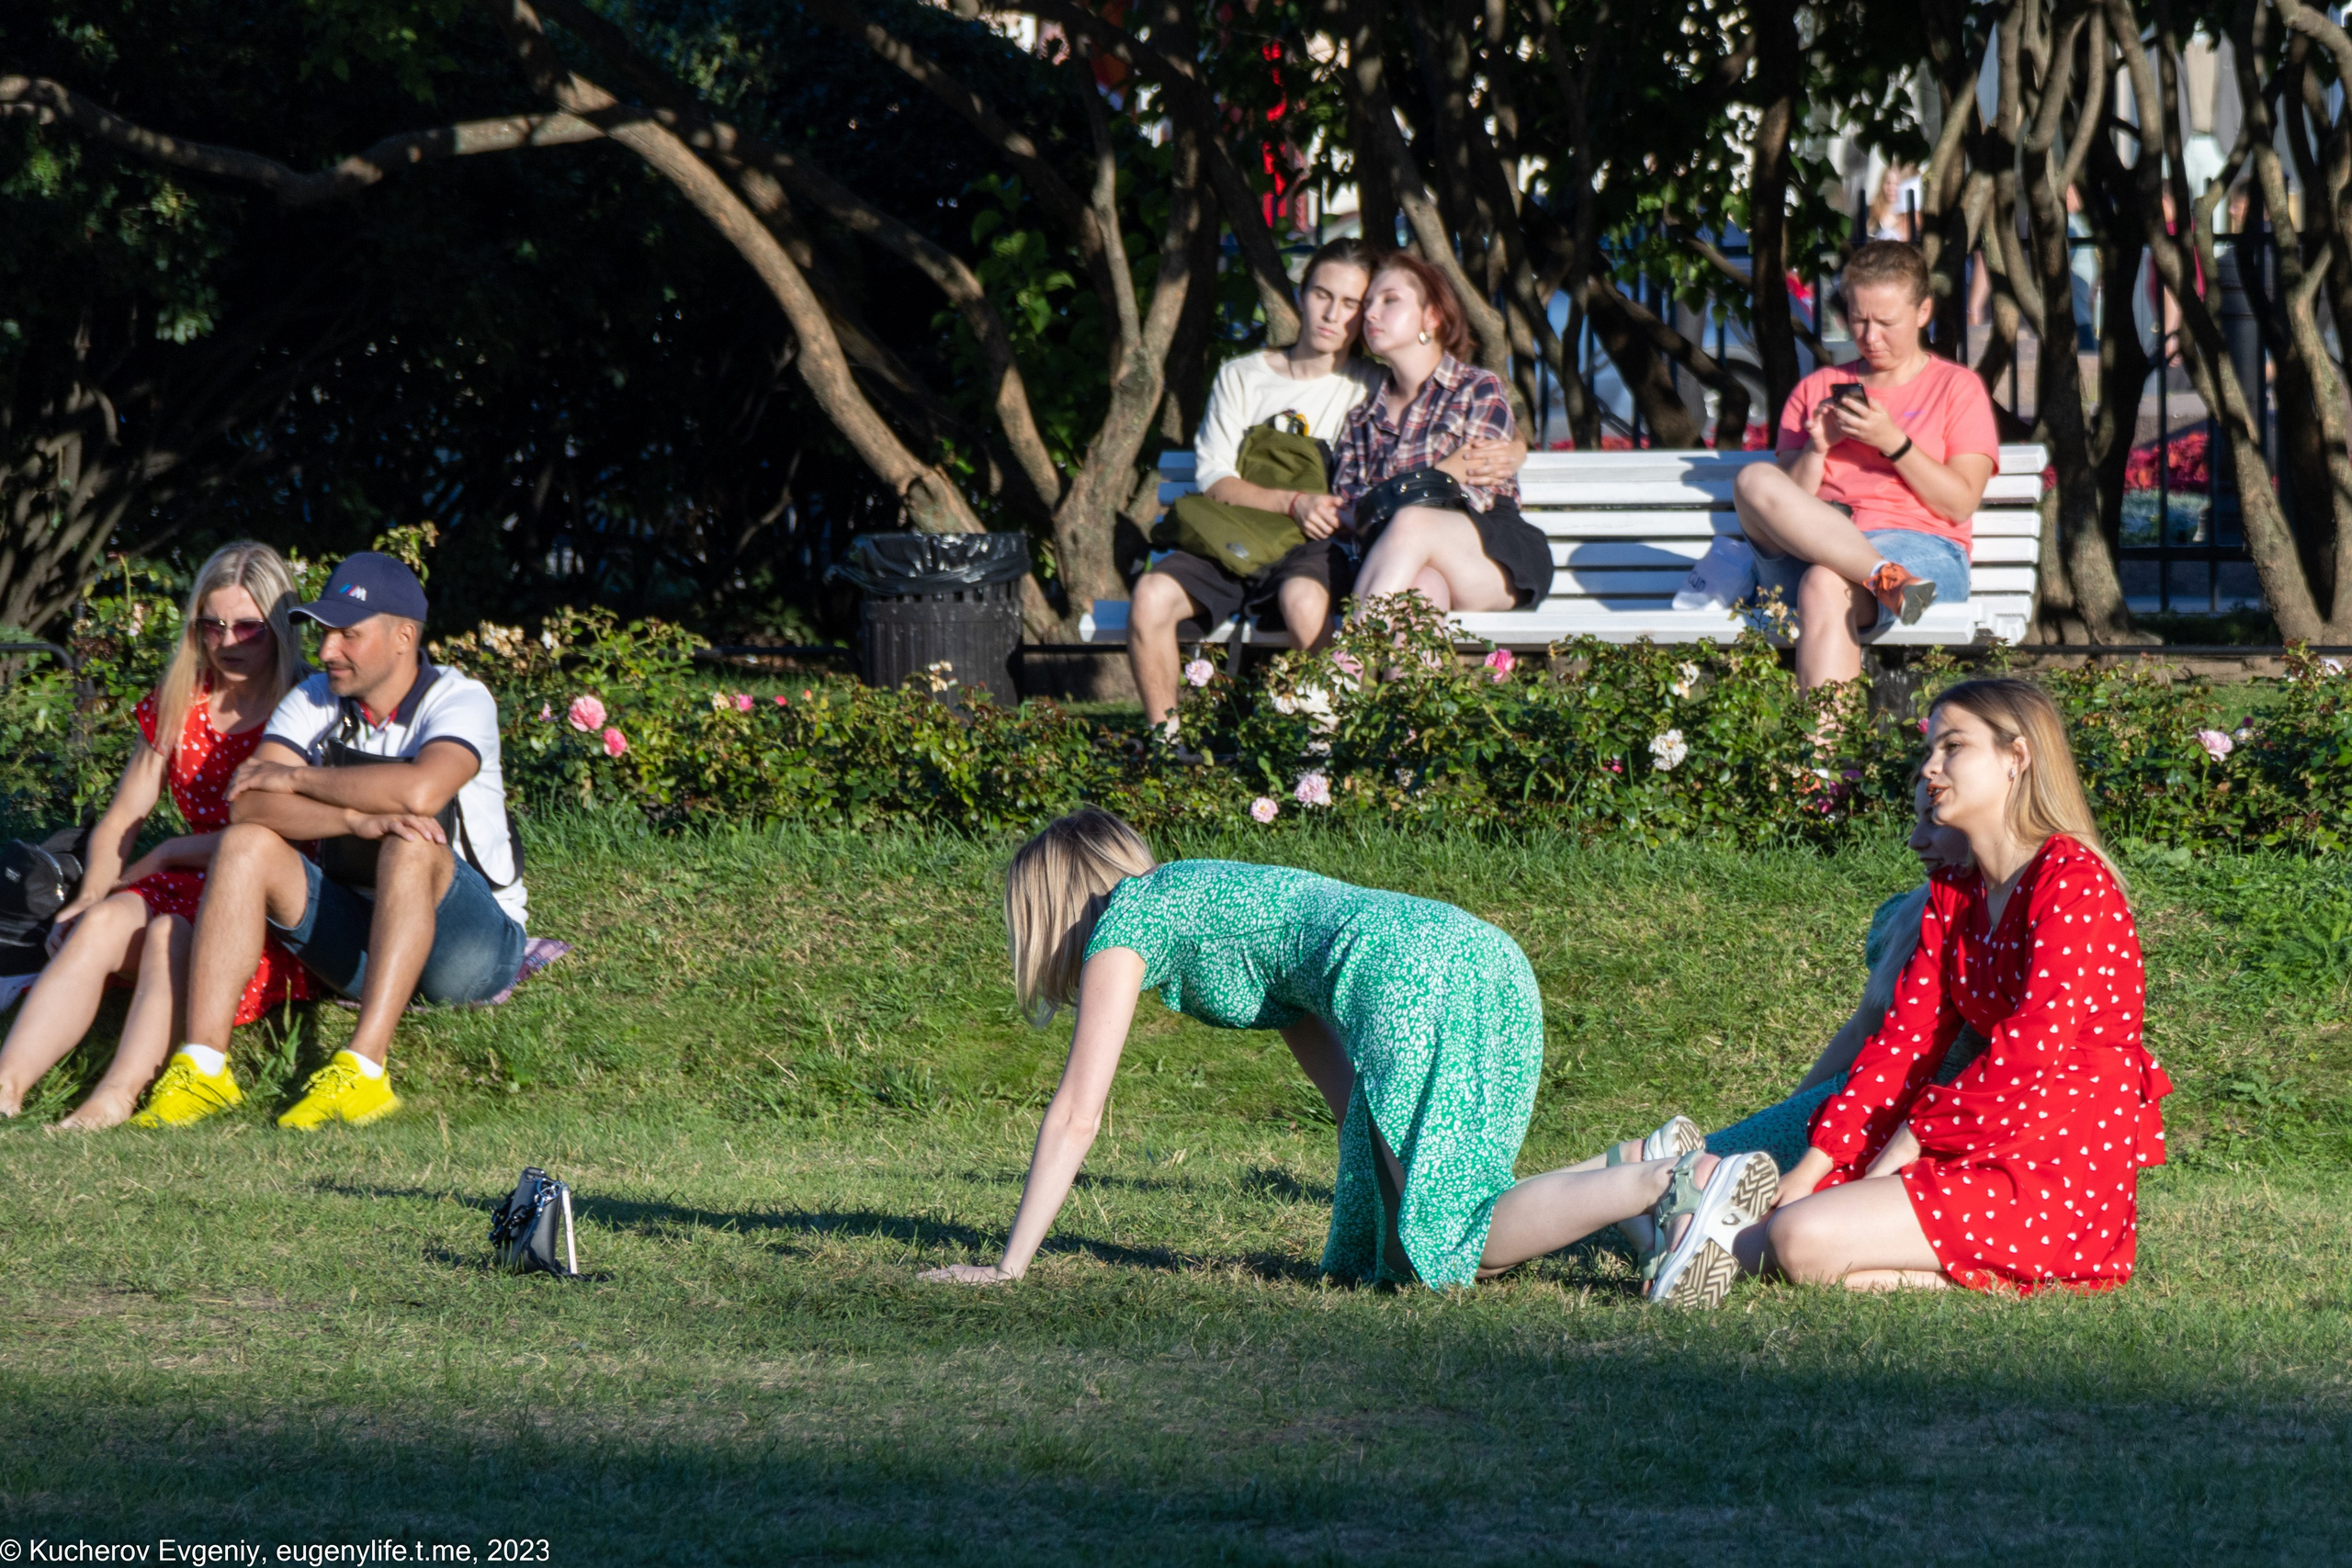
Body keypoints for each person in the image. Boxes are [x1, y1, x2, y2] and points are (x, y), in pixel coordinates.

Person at [917, 810, 1780, 1304]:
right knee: (1416, 1248)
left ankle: (1669, 1185)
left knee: (1448, 1241)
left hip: (1407, 974)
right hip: (1473, 950)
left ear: (1058, 911)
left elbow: (1077, 1111)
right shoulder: (1206, 896)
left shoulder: (1126, 920)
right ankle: (1630, 1166)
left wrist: (1007, 1266)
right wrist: (1392, 1197)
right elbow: (1350, 1093)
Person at [1752, 678, 2171, 1294]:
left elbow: (2028, 1053)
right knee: (1798, 1226)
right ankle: (1998, 1275)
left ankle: (2055, 1265)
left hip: (2055, 1166)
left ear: (2017, 757)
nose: (1931, 768)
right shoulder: (1956, 894)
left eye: (1952, 747)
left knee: (1797, 1236)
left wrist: (1901, 1150)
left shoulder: (2074, 885)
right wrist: (1818, 1160)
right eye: (1930, 751)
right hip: (1979, 1143)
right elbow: (1901, 1047)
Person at [132, 551, 527, 1130]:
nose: (325, 651)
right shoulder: (316, 696)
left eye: (348, 634)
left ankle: (364, 1070)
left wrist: (296, 779)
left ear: (403, 636)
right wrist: (353, 819)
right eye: (323, 632)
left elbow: (421, 791)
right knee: (245, 843)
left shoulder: (459, 698)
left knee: (413, 840)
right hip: (359, 937)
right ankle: (203, 1067)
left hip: (468, 947)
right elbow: (247, 803)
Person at [1131, 238, 1522, 739]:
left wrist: (1515, 450)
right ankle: (1169, 749)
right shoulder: (1243, 377)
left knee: (1305, 599)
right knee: (1150, 594)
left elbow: (1465, 406)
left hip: (1317, 547)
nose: (1333, 314)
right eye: (1321, 295)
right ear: (1301, 295)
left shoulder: (1371, 384)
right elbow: (1214, 478)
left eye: (1352, 303)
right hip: (1236, 533)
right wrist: (1293, 502)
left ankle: (1335, 742)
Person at [0, 544, 311, 1129]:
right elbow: (120, 819)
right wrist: (92, 893)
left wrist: (168, 851)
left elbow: (287, 840)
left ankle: (113, 1098)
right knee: (102, 920)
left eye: (249, 627)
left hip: (261, 905)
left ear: (279, 628)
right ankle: (7, 1084)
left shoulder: (306, 704)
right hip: (185, 885)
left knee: (170, 931)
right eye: (211, 626)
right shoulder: (182, 702)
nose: (228, 643)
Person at [1731, 241, 2000, 689]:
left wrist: (1893, 442)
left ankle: (1821, 760)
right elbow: (1782, 505)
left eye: (1886, 322)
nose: (1870, 337)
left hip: (1921, 556)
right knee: (1754, 478)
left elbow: (1958, 504)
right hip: (1817, 556)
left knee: (1824, 583)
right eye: (1858, 320)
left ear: (1922, 311)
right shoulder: (1818, 388)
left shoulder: (1957, 388)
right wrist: (1818, 449)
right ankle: (1881, 576)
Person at [1327, 254, 1555, 615]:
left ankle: (1347, 665)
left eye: (1389, 300)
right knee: (1422, 590)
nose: (1370, 314)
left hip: (1490, 554)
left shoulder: (1477, 389)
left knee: (1412, 521)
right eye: (1368, 304)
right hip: (1399, 569)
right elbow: (1354, 514)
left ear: (1431, 317)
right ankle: (1403, 675)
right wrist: (1442, 474)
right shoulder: (1362, 418)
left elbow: (1477, 493)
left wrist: (1394, 495)